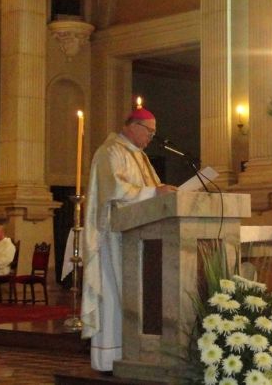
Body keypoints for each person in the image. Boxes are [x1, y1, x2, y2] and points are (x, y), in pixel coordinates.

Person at [81, 106, 178, 372]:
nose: (150, 138)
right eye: (149, 132)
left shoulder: (140, 157)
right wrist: (153, 194)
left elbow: (152, 191)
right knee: (115, 295)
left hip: (140, 240)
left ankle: (137, 353)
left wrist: (165, 195)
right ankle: (109, 358)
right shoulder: (110, 151)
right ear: (133, 126)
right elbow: (114, 189)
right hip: (115, 238)